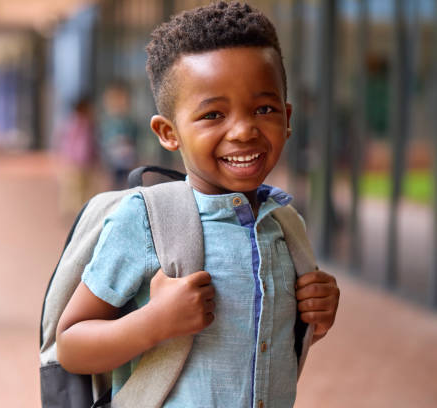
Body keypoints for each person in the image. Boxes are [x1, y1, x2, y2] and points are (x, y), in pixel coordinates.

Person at [56, 3, 340, 407]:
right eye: (213, 114)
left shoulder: (287, 227)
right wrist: (154, 323)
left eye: (264, 109)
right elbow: (70, 344)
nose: (244, 130)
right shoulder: (147, 221)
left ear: (287, 118)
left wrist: (317, 315)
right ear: (168, 133)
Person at [56, 97, 97, 216]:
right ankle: (77, 211)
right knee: (76, 187)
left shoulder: (82, 122)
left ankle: (79, 210)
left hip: (82, 160)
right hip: (77, 160)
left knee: (81, 187)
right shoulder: (78, 123)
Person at [99, 81, 138, 190]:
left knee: (126, 185)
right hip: (112, 159)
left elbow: (134, 140)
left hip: (127, 159)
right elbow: (102, 140)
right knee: (112, 185)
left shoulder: (129, 121)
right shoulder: (107, 122)